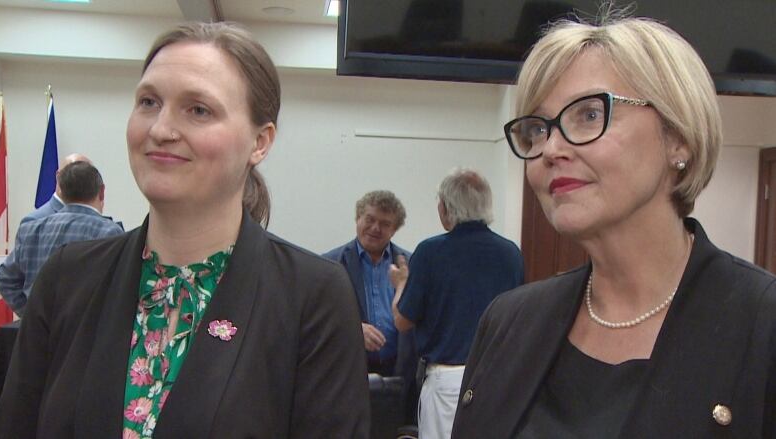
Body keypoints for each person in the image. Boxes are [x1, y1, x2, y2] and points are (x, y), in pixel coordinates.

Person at [0, 22, 369, 438]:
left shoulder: (313, 297)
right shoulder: (68, 278)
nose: (160, 129)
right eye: (149, 102)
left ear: (260, 143)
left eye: (199, 110)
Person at [450, 12, 776, 439]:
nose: (550, 149)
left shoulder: (761, 324)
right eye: (537, 129)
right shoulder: (508, 322)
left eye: (588, 115)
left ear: (678, 138)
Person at [391, 168, 525, 439]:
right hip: (497, 376)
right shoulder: (511, 253)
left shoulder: (431, 251)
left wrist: (401, 284)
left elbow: (402, 321)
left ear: (445, 208)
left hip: (447, 383)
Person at [323, 190, 418, 426]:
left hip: (400, 375)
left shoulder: (412, 265)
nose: (375, 228)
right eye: (370, 219)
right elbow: (317, 322)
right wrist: (352, 330)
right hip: (349, 376)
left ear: (395, 229)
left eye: (385, 224)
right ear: (358, 218)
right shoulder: (329, 265)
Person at [0, 161, 123, 316]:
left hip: (37, 335)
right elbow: (120, 290)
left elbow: (4, 278)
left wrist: (29, 315)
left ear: (61, 190)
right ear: (102, 192)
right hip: (87, 335)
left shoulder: (30, 229)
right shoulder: (109, 233)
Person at [21, 152, 91, 224]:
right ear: (58, 177)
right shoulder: (34, 221)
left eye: (86, 177)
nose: (80, 182)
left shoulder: (94, 219)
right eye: (74, 175)